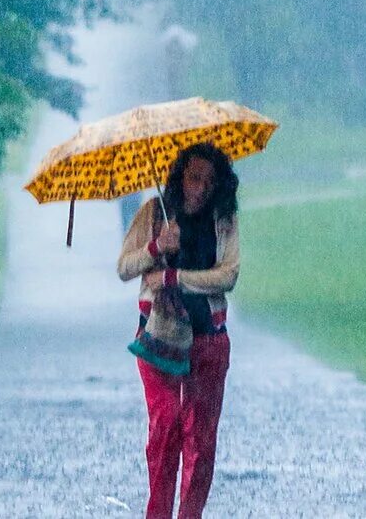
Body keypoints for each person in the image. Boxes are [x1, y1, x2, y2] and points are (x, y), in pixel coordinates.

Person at [117, 142, 240, 519]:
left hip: (208, 337)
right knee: (166, 424)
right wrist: (157, 246)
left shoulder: (225, 219)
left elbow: (228, 274)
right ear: (179, 176)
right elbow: (125, 267)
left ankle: (189, 514)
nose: (199, 187)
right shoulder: (155, 212)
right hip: (158, 335)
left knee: (201, 437)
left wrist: (175, 277)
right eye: (192, 177)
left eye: (207, 180)